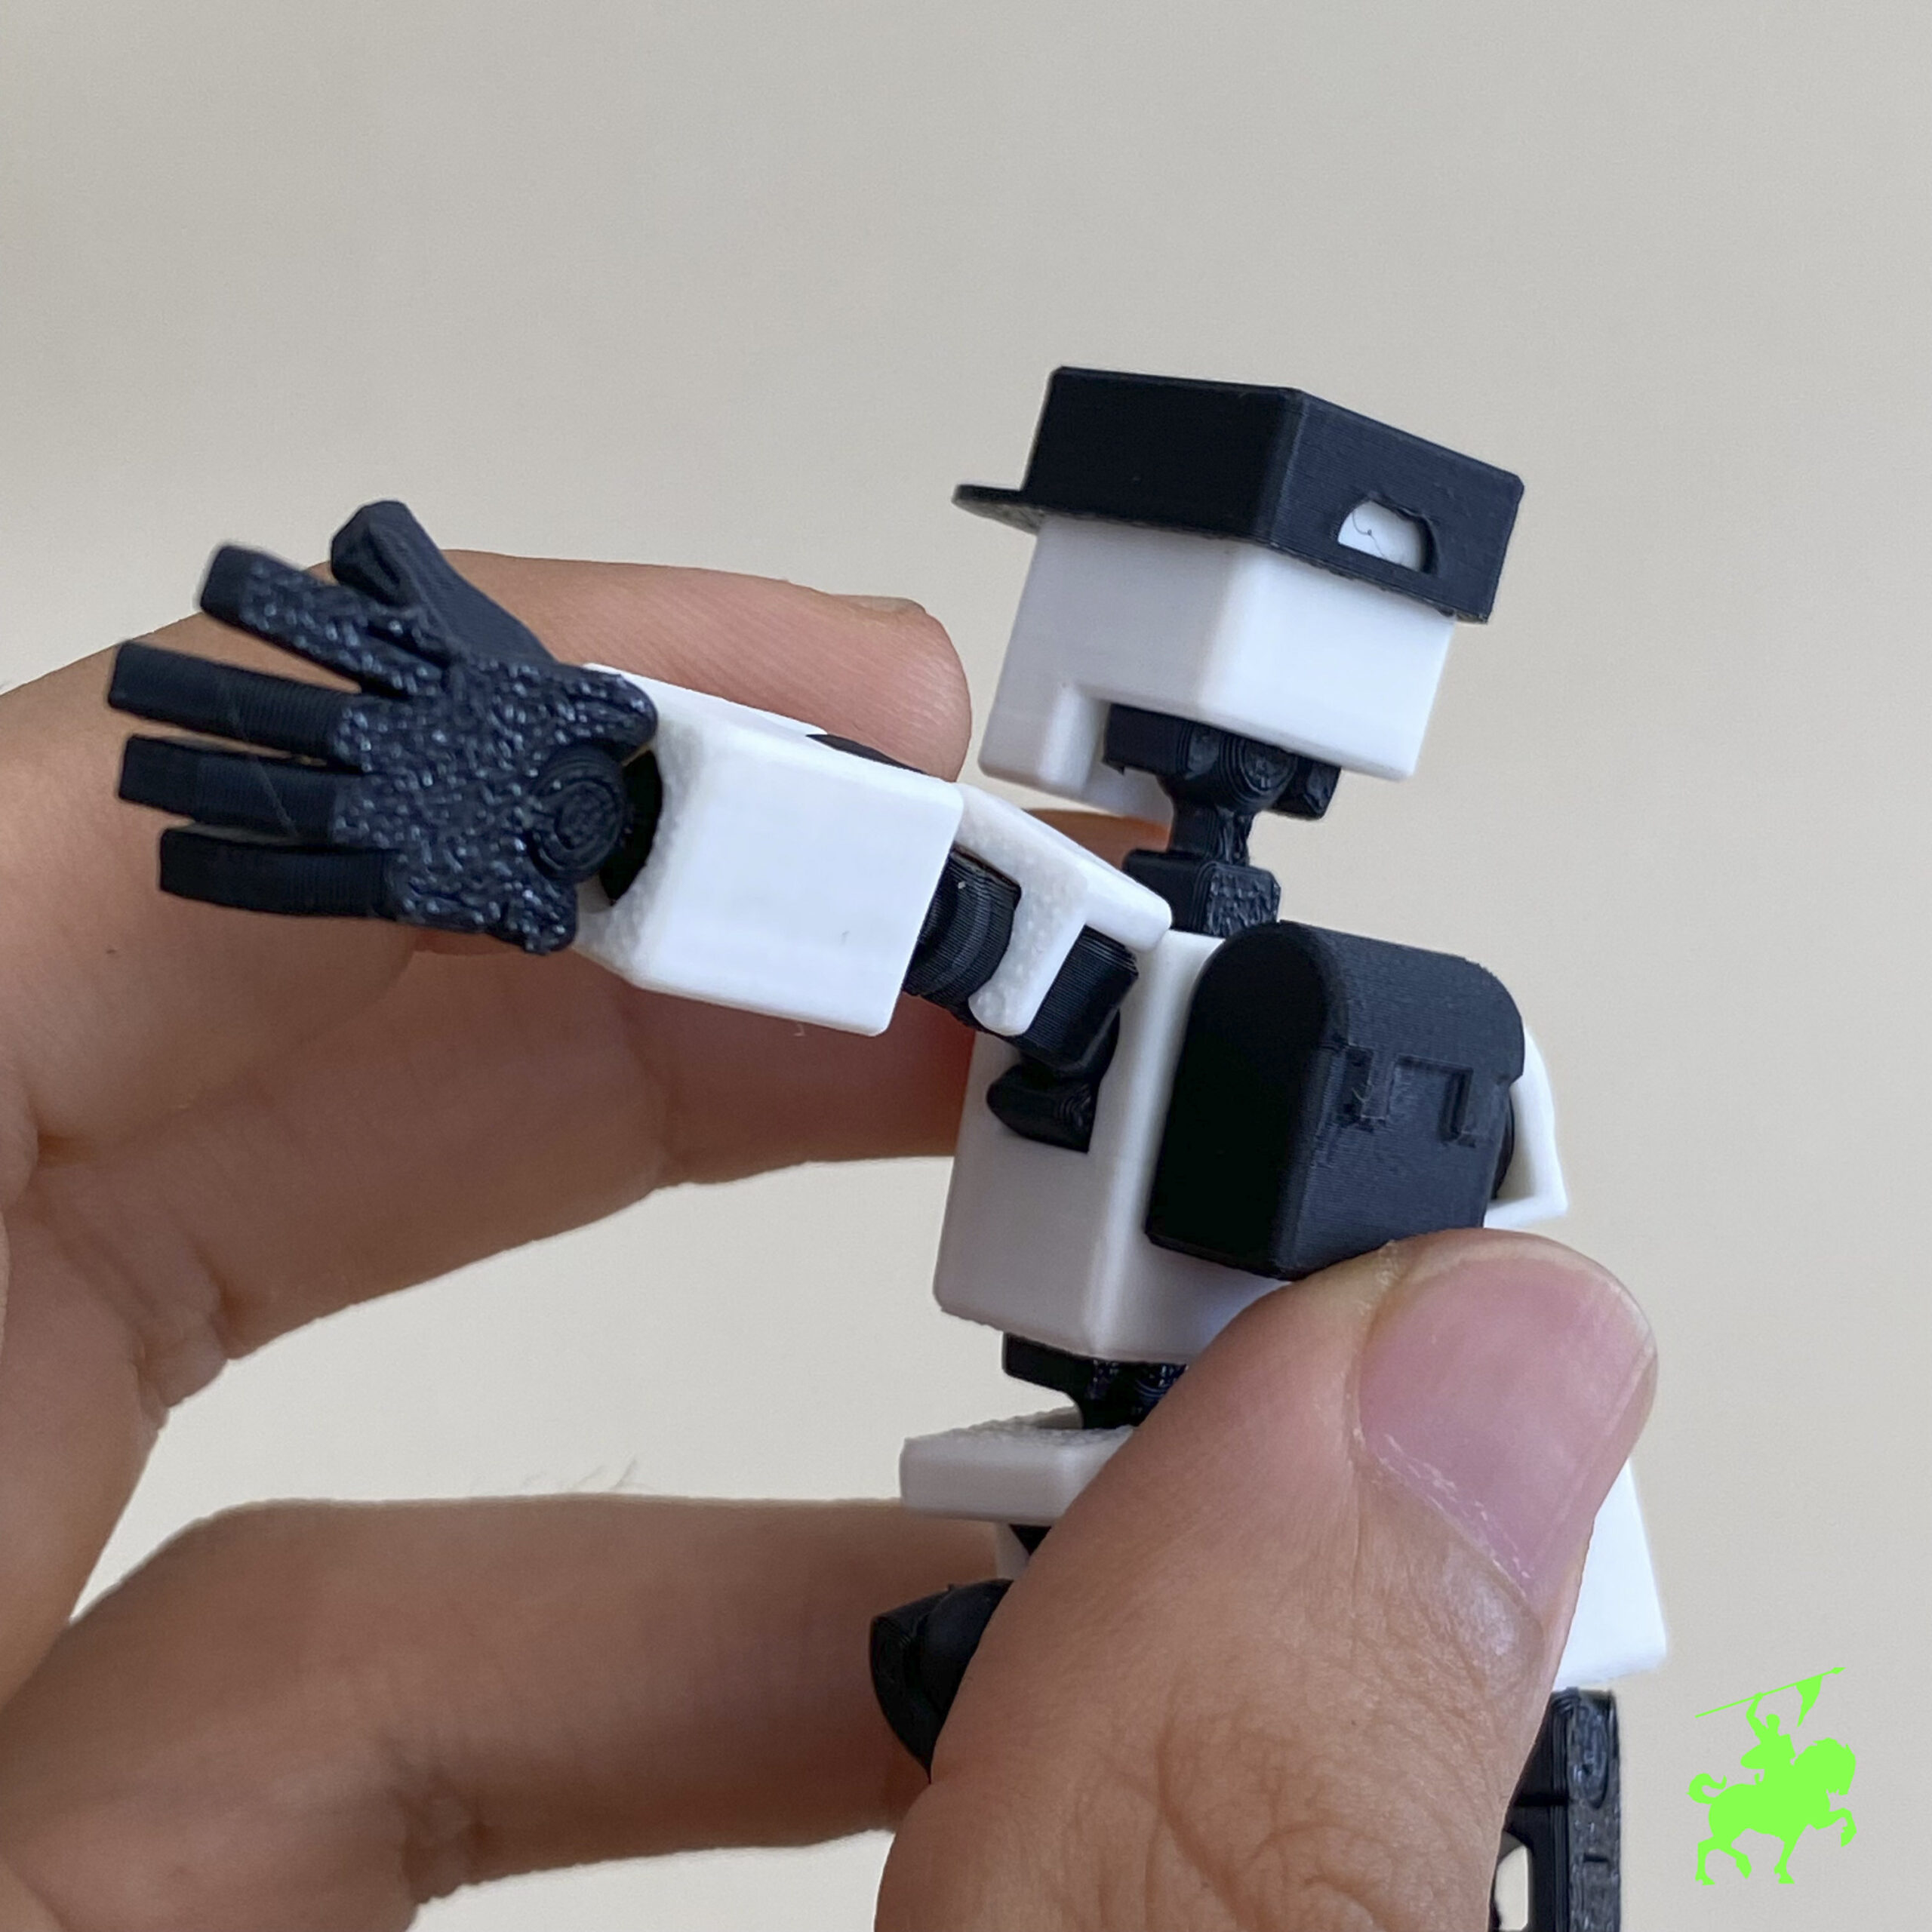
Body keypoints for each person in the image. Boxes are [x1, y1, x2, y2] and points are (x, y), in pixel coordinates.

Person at [0, 548, 1655, 1930]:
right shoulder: (1132, 968)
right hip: (1146, 1483)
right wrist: (584, 794)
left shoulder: (1252, 999)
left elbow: (1496, 1237)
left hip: (1199, 1481)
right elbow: (916, 889)